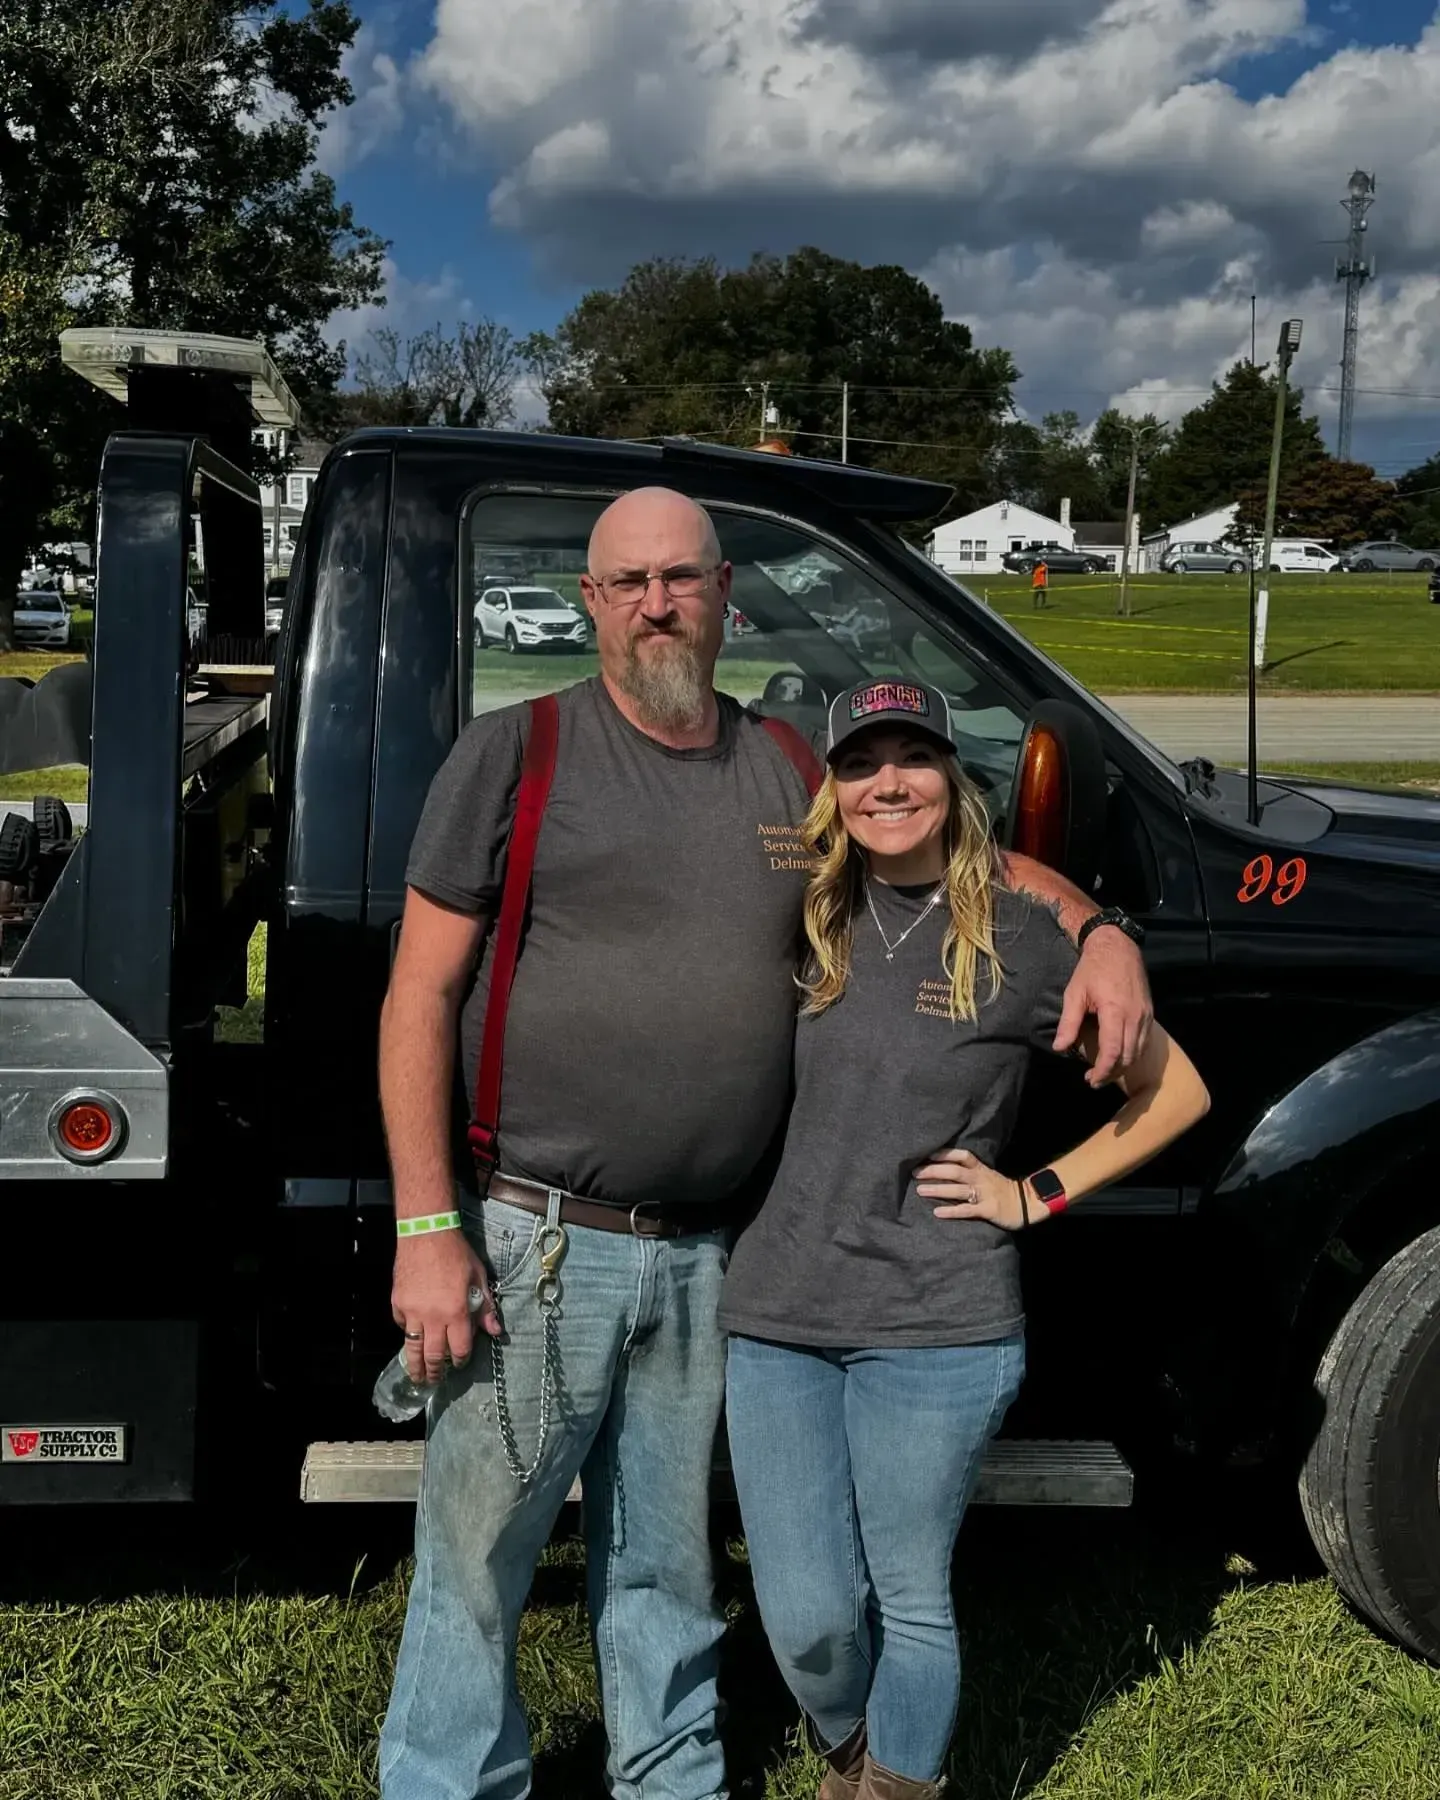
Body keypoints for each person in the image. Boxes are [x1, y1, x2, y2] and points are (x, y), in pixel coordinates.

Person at [376, 486, 1154, 1800]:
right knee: (478, 1560)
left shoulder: (793, 765)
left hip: (706, 1263)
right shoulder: (519, 754)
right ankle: (446, 1784)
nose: (657, 606)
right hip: (536, 1243)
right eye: (627, 584)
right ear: (591, 605)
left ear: (726, 592)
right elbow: (418, 995)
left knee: (669, 1568)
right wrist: (426, 1226)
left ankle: (669, 1781)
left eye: (680, 578)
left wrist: (1103, 932)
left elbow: (961, 865)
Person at [719, 679, 1210, 1800]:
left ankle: (895, 1787)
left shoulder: (1023, 940)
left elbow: (1175, 1090)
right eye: (862, 761)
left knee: (909, 1591)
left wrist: (1034, 1192)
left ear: (953, 778)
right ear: (834, 787)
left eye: (914, 757)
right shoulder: (805, 913)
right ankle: (850, 1752)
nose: (889, 781)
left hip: (940, 1326)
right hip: (778, 1315)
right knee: (808, 1617)